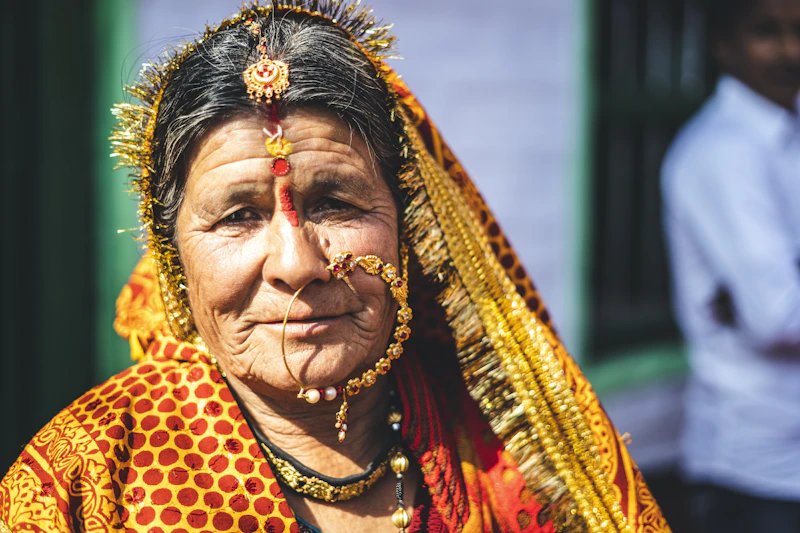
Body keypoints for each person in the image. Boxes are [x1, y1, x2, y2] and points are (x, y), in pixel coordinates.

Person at [0, 3, 670, 532]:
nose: (297, 263)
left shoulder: (521, 455)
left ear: (412, 227)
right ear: (173, 255)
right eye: (236, 216)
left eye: (335, 203)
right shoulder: (82, 481)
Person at [662, 0, 800, 530]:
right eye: (768, 32)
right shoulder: (725, 151)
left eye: (799, 32)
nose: (790, 51)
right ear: (724, 46)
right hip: (757, 468)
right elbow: (779, 316)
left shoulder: (785, 135)